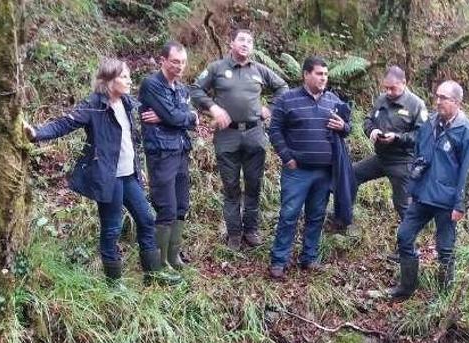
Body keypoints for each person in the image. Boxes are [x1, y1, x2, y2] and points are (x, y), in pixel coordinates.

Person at [25, 58, 159, 284]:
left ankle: (153, 275)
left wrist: (137, 167)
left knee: (146, 219)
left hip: (129, 176)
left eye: (128, 76)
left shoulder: (126, 103)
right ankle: (114, 284)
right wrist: (36, 133)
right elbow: (64, 123)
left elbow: (129, 140)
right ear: (108, 80)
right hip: (108, 179)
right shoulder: (94, 105)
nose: (129, 80)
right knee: (112, 228)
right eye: (124, 76)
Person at [189, 28, 288, 250]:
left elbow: (283, 87)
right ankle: (234, 233)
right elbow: (195, 90)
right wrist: (213, 107)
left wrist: (270, 108)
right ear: (231, 43)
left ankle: (251, 230)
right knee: (231, 187)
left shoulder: (260, 70)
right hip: (227, 136)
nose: (246, 44)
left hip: (254, 134)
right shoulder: (217, 68)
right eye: (241, 40)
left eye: (250, 41)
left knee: (254, 185)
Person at [388, 80, 469, 300]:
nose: (437, 101)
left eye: (443, 98)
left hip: (447, 202)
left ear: (456, 102)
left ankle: (443, 297)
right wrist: (412, 188)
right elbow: (419, 155)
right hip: (422, 195)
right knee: (404, 236)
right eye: (436, 96)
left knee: (445, 249)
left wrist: (461, 204)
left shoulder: (467, 132)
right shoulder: (429, 122)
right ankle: (407, 287)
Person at [267, 56, 351, 280]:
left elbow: (347, 129)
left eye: (325, 74)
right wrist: (287, 158)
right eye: (319, 73)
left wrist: (343, 126)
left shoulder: (333, 101)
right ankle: (279, 261)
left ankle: (309, 258)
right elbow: (274, 130)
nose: (323, 78)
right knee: (288, 215)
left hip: (324, 172)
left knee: (316, 216)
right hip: (297, 171)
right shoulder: (287, 99)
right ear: (306, 74)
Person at [138, 41, 198, 285]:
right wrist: (176, 117)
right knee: (167, 207)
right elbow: (175, 116)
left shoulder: (182, 89)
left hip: (181, 150)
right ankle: (159, 264)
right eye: (175, 61)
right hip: (162, 153)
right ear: (162, 60)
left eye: (183, 62)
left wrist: (177, 117)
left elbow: (189, 117)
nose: (180, 67)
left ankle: (173, 257)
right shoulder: (152, 85)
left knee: (182, 205)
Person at [355, 66, 428, 221]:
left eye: (392, 88)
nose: (388, 92)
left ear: (404, 83)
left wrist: (397, 138)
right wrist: (372, 130)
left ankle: (408, 242)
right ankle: (344, 218)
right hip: (381, 157)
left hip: (403, 161)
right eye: (386, 88)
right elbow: (368, 120)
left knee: (403, 206)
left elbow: (422, 136)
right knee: (351, 175)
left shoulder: (416, 105)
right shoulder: (381, 99)